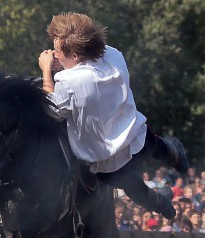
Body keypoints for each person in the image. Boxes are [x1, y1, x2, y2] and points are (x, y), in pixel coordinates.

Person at [38, 13, 188, 220]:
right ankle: (176, 158)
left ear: (75, 56)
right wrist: (65, 63)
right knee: (159, 146)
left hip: (105, 160)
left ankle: (162, 205)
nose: (54, 54)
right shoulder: (114, 55)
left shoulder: (67, 81)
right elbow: (88, 67)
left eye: (57, 51)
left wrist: (47, 70)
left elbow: (52, 109)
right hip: (137, 138)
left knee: (133, 188)